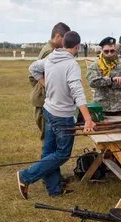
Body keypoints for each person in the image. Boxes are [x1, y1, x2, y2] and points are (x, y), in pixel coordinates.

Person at [17, 31, 96, 198]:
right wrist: (88, 119)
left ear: (62, 44)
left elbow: (33, 68)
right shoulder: (71, 64)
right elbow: (77, 92)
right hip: (62, 115)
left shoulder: (51, 58)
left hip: (49, 111)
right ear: (78, 46)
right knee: (62, 154)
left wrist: (47, 84)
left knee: (48, 152)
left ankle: (54, 189)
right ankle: (26, 176)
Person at [29, 22, 71, 140]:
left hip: (45, 99)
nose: (66, 44)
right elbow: (34, 73)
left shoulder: (50, 48)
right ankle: (45, 159)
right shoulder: (50, 52)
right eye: (65, 39)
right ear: (57, 36)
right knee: (48, 139)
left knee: (49, 139)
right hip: (45, 100)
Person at [86, 37, 121, 116]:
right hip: (101, 107)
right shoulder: (95, 65)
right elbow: (92, 82)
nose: (109, 53)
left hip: (119, 108)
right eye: (106, 51)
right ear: (102, 50)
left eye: (112, 51)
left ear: (115, 50)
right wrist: (111, 80)